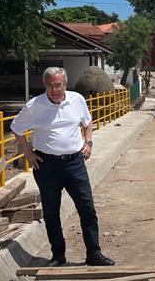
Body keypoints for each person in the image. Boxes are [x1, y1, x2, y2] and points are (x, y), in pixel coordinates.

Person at [11, 67, 115, 267]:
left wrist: (89, 142)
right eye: (50, 85)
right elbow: (16, 127)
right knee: (51, 212)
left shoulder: (77, 100)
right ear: (45, 86)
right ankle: (58, 256)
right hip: (46, 165)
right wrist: (27, 151)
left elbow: (88, 122)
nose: (54, 89)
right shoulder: (35, 106)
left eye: (58, 85)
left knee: (87, 208)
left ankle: (94, 253)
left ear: (65, 84)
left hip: (75, 163)